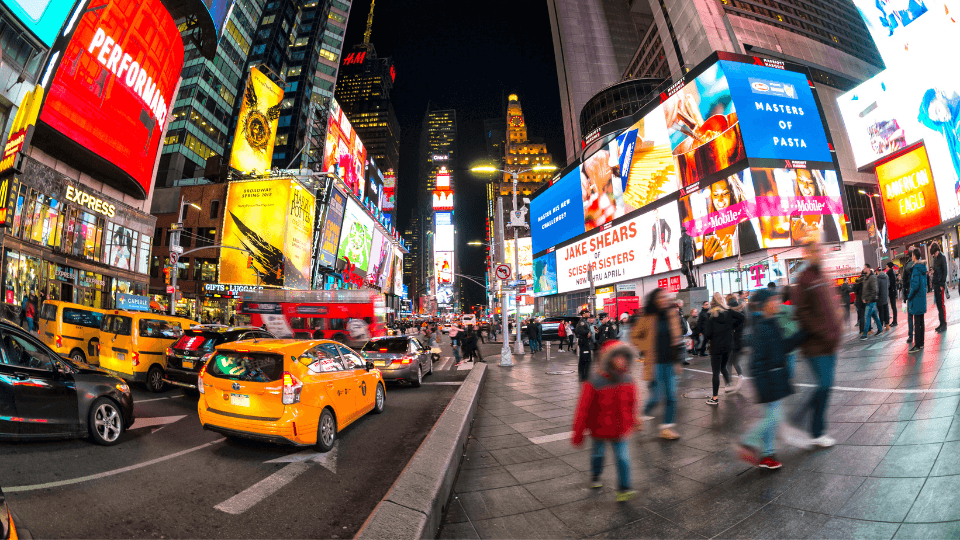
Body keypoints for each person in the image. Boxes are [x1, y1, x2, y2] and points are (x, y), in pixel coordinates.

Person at [737, 289, 809, 470]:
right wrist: (763, 388)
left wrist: (803, 334)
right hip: (768, 381)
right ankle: (748, 442)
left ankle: (767, 455)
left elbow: (783, 347)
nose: (777, 303)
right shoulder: (762, 327)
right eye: (774, 300)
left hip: (774, 379)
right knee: (773, 418)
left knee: (772, 417)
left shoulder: (771, 323)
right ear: (765, 305)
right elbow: (756, 363)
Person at [790, 239, 842, 448]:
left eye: (820, 250)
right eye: (814, 251)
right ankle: (814, 431)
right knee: (824, 385)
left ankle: (800, 422)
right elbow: (801, 312)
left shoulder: (823, 275)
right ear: (808, 254)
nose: (819, 254)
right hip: (815, 345)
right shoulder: (804, 279)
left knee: (825, 387)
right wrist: (823, 331)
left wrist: (838, 325)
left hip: (830, 343)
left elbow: (831, 305)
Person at [571, 340, 638, 502]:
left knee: (623, 458)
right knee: (598, 454)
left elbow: (632, 403)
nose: (621, 360)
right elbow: (583, 409)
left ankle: (624, 488)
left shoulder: (628, 380)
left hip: (620, 428)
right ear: (608, 359)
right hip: (599, 429)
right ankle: (595, 475)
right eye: (617, 356)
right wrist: (578, 434)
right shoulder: (595, 382)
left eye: (624, 357)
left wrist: (635, 420)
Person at [632, 288, 682, 440]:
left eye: (665, 297)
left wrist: (678, 360)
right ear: (654, 300)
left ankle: (666, 428)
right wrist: (646, 347)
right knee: (656, 397)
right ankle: (640, 416)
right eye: (660, 298)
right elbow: (635, 337)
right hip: (655, 364)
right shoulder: (647, 317)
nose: (663, 300)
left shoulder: (671, 315)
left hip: (670, 362)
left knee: (671, 396)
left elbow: (677, 338)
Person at [702, 292, 744, 405]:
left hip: (716, 347)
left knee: (716, 372)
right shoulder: (728, 312)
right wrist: (732, 326)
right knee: (723, 367)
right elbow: (742, 318)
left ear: (713, 302)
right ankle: (729, 385)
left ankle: (714, 398)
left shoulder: (711, 315)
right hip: (728, 346)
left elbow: (707, 334)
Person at [908, 248, 928, 353]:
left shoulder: (916, 268)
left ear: (914, 256)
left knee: (917, 322)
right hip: (922, 298)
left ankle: (917, 345)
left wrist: (909, 296)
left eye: (912, 255)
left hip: (916, 299)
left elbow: (915, 285)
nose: (911, 257)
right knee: (921, 321)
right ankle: (921, 343)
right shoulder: (923, 267)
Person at [726, 294, 746, 393]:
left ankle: (729, 384)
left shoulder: (729, 311)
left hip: (733, 340)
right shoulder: (741, 309)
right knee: (735, 361)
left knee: (728, 363)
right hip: (741, 339)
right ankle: (740, 377)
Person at [860, 265, 883, 340]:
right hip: (868, 301)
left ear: (868, 268)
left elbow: (875, 290)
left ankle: (865, 334)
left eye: (864, 267)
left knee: (867, 317)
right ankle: (880, 329)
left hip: (871, 301)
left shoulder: (872, 277)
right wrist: (863, 298)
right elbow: (865, 289)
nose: (863, 269)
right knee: (875, 316)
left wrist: (869, 299)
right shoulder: (866, 277)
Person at [931, 242, 948, 333]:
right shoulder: (935, 258)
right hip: (936, 284)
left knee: (941, 304)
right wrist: (932, 271)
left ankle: (944, 324)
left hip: (940, 284)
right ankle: (941, 323)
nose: (934, 255)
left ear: (937, 251)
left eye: (935, 253)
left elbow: (945, 271)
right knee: (938, 304)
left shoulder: (942, 257)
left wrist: (942, 284)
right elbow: (935, 269)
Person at [575, 312, 596, 382]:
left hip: (585, 342)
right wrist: (587, 332)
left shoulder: (584, 321)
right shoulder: (582, 322)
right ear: (584, 314)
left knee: (583, 359)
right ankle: (585, 376)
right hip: (584, 342)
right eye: (587, 312)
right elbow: (579, 331)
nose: (589, 314)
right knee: (586, 360)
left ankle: (583, 376)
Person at [903, 247, 916, 343]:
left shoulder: (907, 265)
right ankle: (918, 333)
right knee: (918, 315)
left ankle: (911, 335)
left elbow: (904, 281)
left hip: (909, 292)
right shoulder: (919, 262)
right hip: (916, 292)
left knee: (910, 315)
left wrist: (904, 296)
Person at [877, 267, 890, 331]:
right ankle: (887, 326)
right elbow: (888, 285)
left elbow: (877, 289)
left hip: (880, 299)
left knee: (881, 313)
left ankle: (881, 326)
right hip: (886, 297)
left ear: (877, 271)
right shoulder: (886, 276)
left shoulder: (878, 278)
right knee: (886, 312)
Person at [886, 262, 899, 327]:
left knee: (893, 307)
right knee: (893, 307)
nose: (886, 268)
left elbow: (890, 283)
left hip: (892, 292)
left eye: (886, 267)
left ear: (889, 267)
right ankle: (894, 321)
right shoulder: (891, 272)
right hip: (892, 292)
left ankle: (895, 321)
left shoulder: (890, 273)